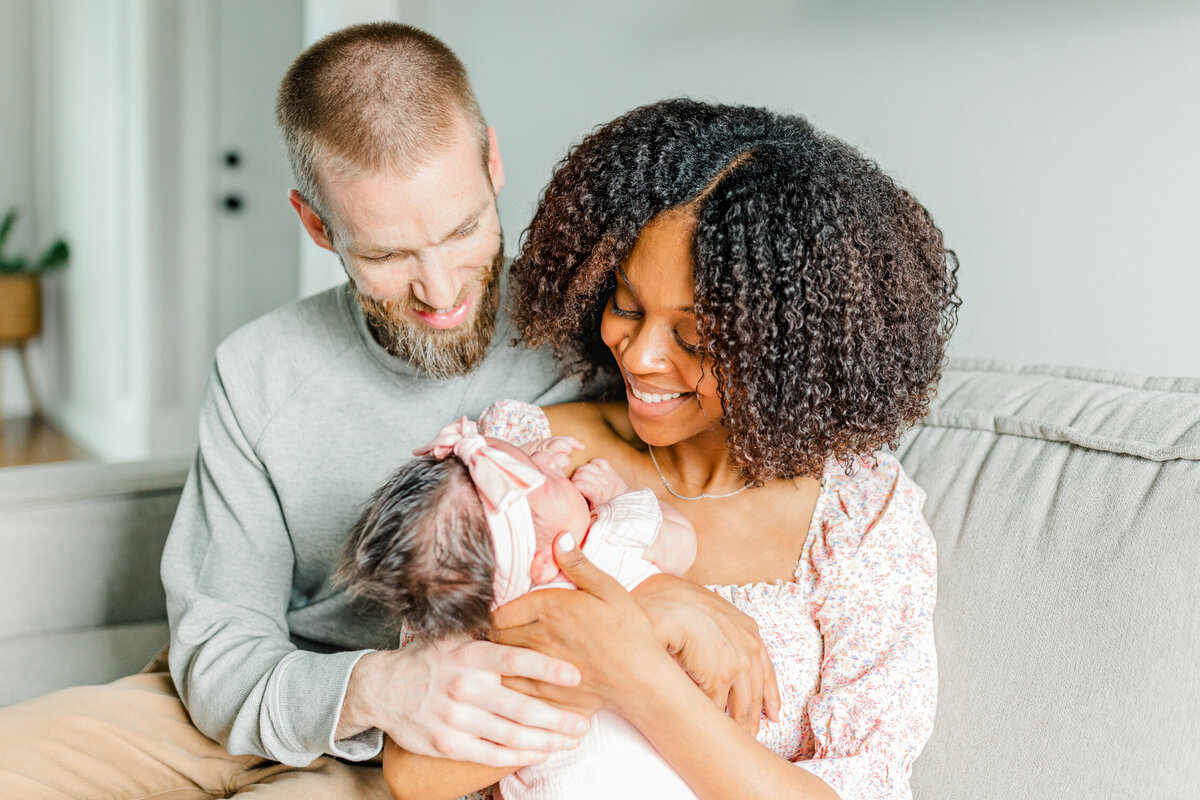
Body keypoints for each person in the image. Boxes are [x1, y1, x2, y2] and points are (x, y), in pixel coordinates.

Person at [0, 26, 770, 799]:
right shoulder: (258, 371)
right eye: (386, 256)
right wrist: (376, 688)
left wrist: (665, 595)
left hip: (432, 752)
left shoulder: (596, 336)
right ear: (315, 224)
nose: (440, 292)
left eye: (462, 229)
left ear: (492, 163)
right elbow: (221, 646)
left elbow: (706, 495)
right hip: (284, 695)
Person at [390, 99, 960, 800]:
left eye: (694, 338)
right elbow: (415, 772)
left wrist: (637, 672)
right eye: (626, 305)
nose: (641, 355)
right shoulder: (533, 463)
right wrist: (615, 642)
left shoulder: (858, 521)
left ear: (788, 354)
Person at [339, 410, 702, 798]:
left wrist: (534, 467)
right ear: (545, 562)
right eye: (544, 473)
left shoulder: (483, 644)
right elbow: (683, 545)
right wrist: (617, 497)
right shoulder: (607, 541)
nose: (551, 463)